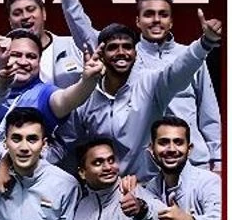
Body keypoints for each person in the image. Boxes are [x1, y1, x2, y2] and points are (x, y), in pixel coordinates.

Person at [54, 0, 222, 174]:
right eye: (149, 14)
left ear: (171, 21)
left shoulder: (190, 57)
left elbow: (208, 111)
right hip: (145, 167)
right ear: (137, 21)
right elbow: (84, 31)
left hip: (191, 160)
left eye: (163, 15)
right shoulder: (126, 54)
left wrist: (216, 160)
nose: (156, 20)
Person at [48, 13, 222, 181]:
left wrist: (205, 43)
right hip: (106, 188)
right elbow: (63, 141)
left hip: (149, 186)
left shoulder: (151, 83)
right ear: (101, 54)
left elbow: (178, 70)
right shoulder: (88, 95)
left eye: (127, 46)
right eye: (113, 47)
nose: (121, 52)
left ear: (135, 53)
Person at [0, 0, 84, 88]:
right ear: (10, 21)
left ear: (44, 13)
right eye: (17, 13)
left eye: (30, 9)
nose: (25, 16)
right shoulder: (1, 54)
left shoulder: (74, 46)